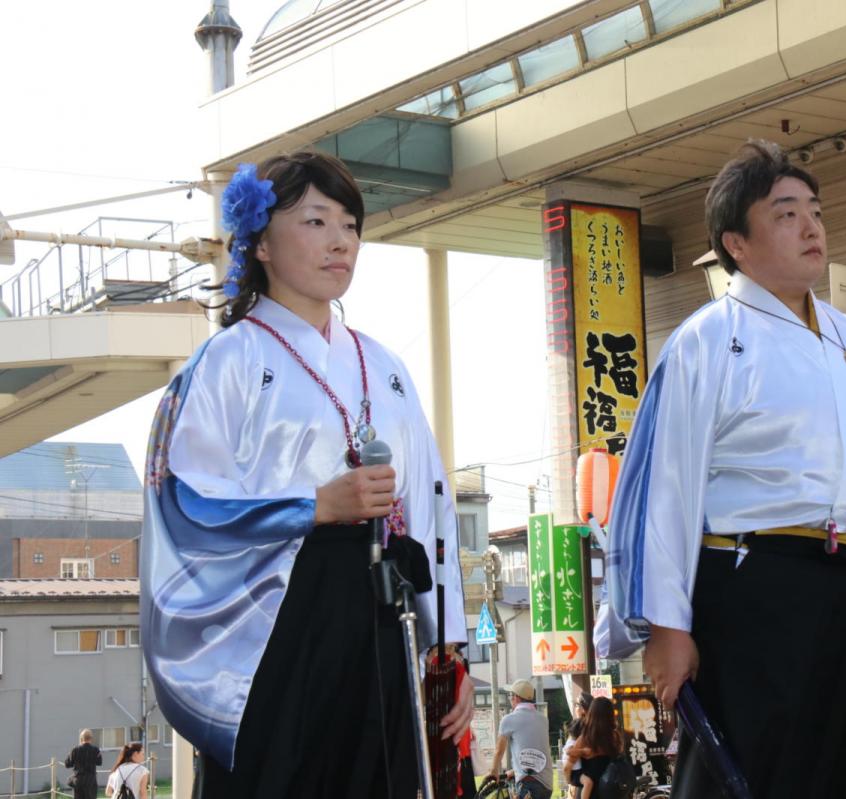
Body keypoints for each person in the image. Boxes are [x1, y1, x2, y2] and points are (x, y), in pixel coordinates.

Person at [596, 139, 846, 798]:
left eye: (816, 212)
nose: (811, 227)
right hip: (760, 590)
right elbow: (664, 491)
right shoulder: (707, 339)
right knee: (759, 776)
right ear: (735, 242)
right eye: (786, 213)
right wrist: (668, 628)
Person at [140, 151, 471, 798]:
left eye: (350, 224)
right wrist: (312, 505)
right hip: (275, 620)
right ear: (260, 241)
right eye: (316, 221)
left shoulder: (386, 364)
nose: (341, 241)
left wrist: (447, 644)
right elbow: (180, 500)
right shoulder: (227, 361)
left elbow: (431, 499)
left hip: (383, 607)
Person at [490, 680, 553, 799]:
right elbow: (538, 751)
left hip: (528, 785)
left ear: (516, 698)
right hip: (547, 784)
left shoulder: (509, 719)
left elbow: (499, 751)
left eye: (510, 695)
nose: (510, 699)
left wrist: (493, 772)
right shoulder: (543, 719)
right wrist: (515, 771)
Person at [563, 697, 624, 799]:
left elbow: (567, 767)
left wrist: (570, 780)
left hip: (589, 794)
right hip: (611, 791)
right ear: (611, 715)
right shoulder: (615, 737)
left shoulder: (585, 739)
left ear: (591, 714)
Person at [563, 693, 595, 798]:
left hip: (582, 783)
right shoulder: (595, 727)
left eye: (577, 704)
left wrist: (568, 781)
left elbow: (568, 766)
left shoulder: (581, 729)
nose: (575, 707)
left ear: (584, 710)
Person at [64, 729, 101, 799]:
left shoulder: (75, 750)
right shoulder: (96, 750)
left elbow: (67, 764)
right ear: (91, 738)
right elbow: (99, 763)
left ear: (81, 739)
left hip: (78, 781)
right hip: (91, 781)